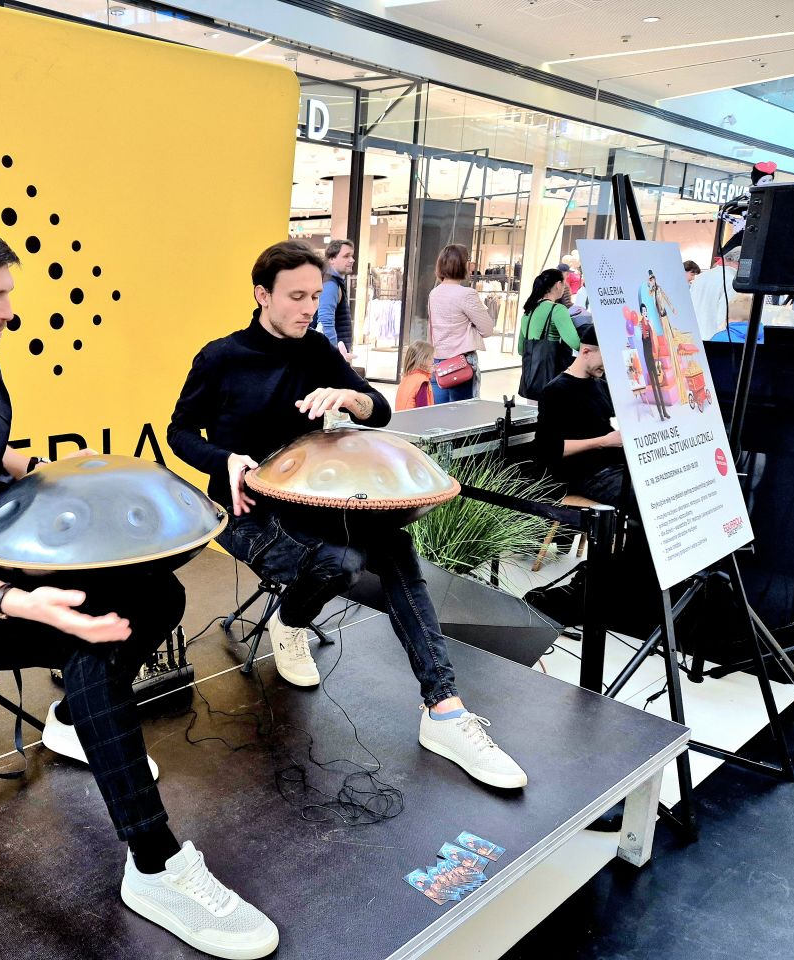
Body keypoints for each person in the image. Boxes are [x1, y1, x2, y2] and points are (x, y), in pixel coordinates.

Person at [0, 217, 278, 959]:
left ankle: (77, 720)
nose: (9, 312)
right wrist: (26, 604)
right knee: (88, 641)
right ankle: (155, 865)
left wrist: (44, 470)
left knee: (160, 599)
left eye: (8, 293)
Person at [167, 239, 528, 791]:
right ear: (262, 295)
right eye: (296, 297)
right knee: (341, 562)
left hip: (316, 501)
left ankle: (444, 710)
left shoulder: (315, 348)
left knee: (395, 548)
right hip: (247, 510)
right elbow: (179, 432)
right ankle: (291, 621)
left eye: (316, 296)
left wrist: (348, 397)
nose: (309, 308)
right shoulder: (221, 357)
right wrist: (226, 459)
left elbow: (377, 409)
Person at [536, 326, 631, 512]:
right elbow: (548, 449)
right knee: (642, 502)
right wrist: (603, 442)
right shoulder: (556, 391)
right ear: (586, 352)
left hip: (615, 467)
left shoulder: (601, 385)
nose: (607, 366)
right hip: (586, 474)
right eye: (605, 359)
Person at [427, 243, 495, 403]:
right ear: (462, 264)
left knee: (438, 411)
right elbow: (487, 329)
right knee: (462, 411)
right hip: (461, 363)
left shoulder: (434, 293)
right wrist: (470, 325)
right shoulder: (467, 294)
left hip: (438, 361)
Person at [516, 269, 578, 401]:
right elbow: (575, 343)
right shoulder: (557, 309)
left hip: (529, 382)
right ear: (558, 285)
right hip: (550, 380)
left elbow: (521, 349)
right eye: (564, 284)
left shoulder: (528, 312)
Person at [637, 269, 675, 422]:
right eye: (643, 311)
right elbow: (643, 339)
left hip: (653, 353)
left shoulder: (650, 323)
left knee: (659, 385)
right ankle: (660, 412)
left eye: (646, 311)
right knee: (654, 383)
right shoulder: (641, 324)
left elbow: (654, 339)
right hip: (647, 355)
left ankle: (664, 412)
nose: (645, 313)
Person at [691, 247, 751, 340]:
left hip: (693, 337)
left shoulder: (701, 276)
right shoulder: (732, 282)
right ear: (742, 263)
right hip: (713, 339)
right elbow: (724, 318)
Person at [314, 238, 355, 360]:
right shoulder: (330, 284)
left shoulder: (334, 282)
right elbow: (325, 321)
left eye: (352, 256)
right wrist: (334, 354)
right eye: (346, 256)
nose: (352, 260)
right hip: (333, 354)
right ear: (331, 259)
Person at [395, 340, 436, 410]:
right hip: (414, 417)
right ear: (422, 360)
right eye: (430, 358)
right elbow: (423, 409)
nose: (433, 361)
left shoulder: (406, 377)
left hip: (402, 416)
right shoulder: (422, 381)